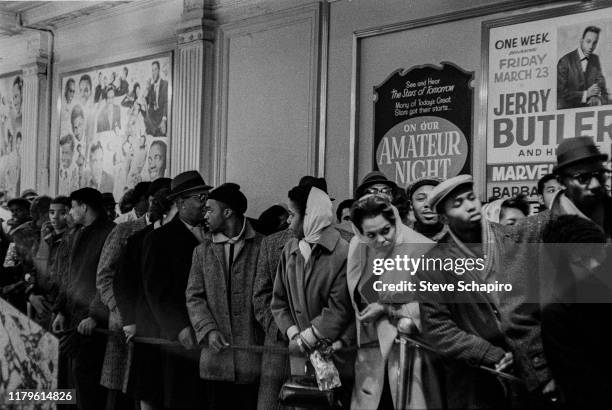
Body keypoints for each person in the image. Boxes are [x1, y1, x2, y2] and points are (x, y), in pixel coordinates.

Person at [416, 175, 513, 409]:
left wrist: (521, 351)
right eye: (457, 204)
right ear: (443, 217)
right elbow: (438, 329)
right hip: (473, 378)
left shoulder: (510, 240)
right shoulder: (434, 262)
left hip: (524, 367)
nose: (470, 206)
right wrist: (490, 353)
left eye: (471, 198)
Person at [347, 194, 439, 409]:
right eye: (371, 234)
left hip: (410, 355)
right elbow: (356, 295)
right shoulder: (357, 246)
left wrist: (386, 308)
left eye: (386, 230)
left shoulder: (424, 248)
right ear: (359, 232)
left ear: (395, 220)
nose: (380, 240)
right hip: (369, 357)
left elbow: (433, 310)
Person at [271, 184, 355, 408]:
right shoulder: (290, 249)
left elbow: (340, 308)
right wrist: (294, 334)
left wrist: (309, 338)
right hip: (299, 355)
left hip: (335, 356)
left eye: (292, 215)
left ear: (310, 214)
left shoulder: (343, 252)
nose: (288, 221)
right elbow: (278, 302)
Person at [186, 183, 263, 409]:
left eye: (210, 210)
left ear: (228, 212)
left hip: (251, 359)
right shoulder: (202, 251)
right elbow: (194, 296)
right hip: (215, 361)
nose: (204, 214)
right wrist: (208, 330)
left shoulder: (262, 246)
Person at [96, 178, 167, 409]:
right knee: (122, 395)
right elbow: (105, 275)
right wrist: (122, 310)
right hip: (125, 326)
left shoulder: (174, 233)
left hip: (157, 329)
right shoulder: (125, 230)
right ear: (151, 201)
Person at [142, 171, 211, 409]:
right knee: (182, 396)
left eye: (206, 197)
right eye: (199, 198)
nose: (205, 203)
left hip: (211, 333)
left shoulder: (214, 234)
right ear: (180, 203)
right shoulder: (159, 239)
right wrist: (178, 327)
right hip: (182, 339)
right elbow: (156, 291)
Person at [51, 187, 115, 410]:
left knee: (90, 389)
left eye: (73, 207)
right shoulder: (77, 233)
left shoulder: (111, 233)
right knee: (71, 384)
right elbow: (67, 276)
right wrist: (60, 310)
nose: (70, 212)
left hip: (93, 327)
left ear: (84, 207)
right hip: (73, 319)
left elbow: (110, 280)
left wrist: (95, 316)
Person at [541, 215, 612, 409]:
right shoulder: (558, 315)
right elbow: (584, 387)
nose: (595, 264)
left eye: (598, 254)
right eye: (581, 260)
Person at [114, 183, 174, 410]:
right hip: (144, 324)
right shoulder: (139, 238)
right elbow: (122, 281)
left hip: (169, 327)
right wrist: (129, 320)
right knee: (147, 385)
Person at [557, 25, 608, 109]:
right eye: (588, 41)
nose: (591, 47)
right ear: (581, 41)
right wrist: (586, 94)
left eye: (594, 43)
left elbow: (601, 86)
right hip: (568, 113)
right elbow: (561, 94)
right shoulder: (565, 61)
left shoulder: (595, 59)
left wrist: (596, 98)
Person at [145, 61, 168, 136]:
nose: (153, 72)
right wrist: (147, 89)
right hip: (152, 120)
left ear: (159, 70)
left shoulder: (165, 84)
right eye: (152, 70)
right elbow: (146, 103)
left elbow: (166, 102)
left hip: (161, 119)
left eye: (155, 69)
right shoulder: (151, 87)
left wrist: (164, 120)